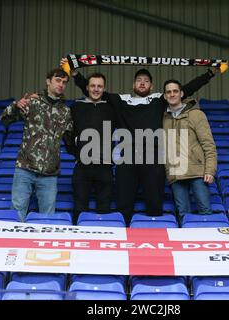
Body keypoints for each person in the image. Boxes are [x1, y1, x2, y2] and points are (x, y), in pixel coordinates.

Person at [64, 58, 218, 223]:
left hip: (152, 159)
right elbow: (94, 90)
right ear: (133, 85)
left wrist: (209, 74)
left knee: (154, 205)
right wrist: (74, 74)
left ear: (151, 86)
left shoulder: (159, 99)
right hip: (127, 159)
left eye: (146, 81)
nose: (142, 83)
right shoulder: (121, 100)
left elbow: (186, 89)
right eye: (139, 80)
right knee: (124, 206)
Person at [0, 68, 73, 222]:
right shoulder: (33, 102)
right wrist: (15, 105)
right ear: (48, 81)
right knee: (17, 213)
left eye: (64, 82)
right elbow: (4, 119)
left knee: (48, 218)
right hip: (25, 168)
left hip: (50, 173)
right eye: (58, 80)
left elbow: (70, 137)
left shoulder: (66, 111)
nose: (61, 85)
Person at [162, 79, 217, 221]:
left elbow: (208, 144)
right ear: (164, 96)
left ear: (181, 93)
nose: (172, 94)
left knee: (205, 212)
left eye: (175, 91)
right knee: (183, 215)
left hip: (197, 172)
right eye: (168, 92)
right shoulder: (163, 118)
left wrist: (210, 170)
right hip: (176, 172)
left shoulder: (196, 115)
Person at [67, 73, 116, 224]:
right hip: (82, 166)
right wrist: (77, 153)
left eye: (99, 86)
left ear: (104, 88)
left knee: (104, 208)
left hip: (105, 166)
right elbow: (67, 134)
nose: (96, 89)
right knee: (79, 208)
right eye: (93, 86)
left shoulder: (111, 108)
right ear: (86, 87)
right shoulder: (76, 107)